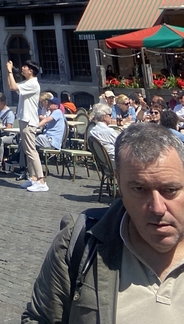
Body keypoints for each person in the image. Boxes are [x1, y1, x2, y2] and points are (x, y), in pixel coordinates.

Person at [22, 124, 184, 322]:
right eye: (140, 189)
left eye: (170, 190)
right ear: (119, 183)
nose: (158, 208)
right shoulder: (80, 242)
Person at [7, 59, 46, 192]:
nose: (22, 68)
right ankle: (33, 177)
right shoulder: (27, 83)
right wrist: (9, 73)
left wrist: (9, 71)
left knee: (31, 150)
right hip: (24, 119)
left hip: (29, 121)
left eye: (25, 66)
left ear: (31, 70)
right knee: (27, 150)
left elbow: (12, 87)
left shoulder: (33, 84)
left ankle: (41, 180)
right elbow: (12, 85)